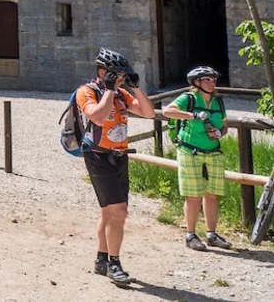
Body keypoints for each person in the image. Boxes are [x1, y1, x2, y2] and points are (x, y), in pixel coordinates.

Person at [77, 48, 155, 287]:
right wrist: (109, 91)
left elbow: (149, 113)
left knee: (109, 212)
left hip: (120, 156)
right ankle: (114, 263)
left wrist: (136, 88)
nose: (121, 79)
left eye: (123, 75)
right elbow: (97, 117)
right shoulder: (86, 92)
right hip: (98, 156)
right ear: (102, 72)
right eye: (117, 75)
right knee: (119, 211)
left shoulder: (121, 93)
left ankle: (101, 259)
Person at [164, 65, 233, 252]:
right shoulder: (189, 98)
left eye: (213, 79)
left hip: (213, 151)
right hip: (190, 150)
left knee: (212, 194)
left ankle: (211, 234)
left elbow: (225, 125)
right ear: (196, 82)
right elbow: (167, 112)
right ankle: (191, 235)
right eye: (207, 79)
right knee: (193, 195)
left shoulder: (219, 102)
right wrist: (192, 115)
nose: (212, 83)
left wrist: (220, 133)